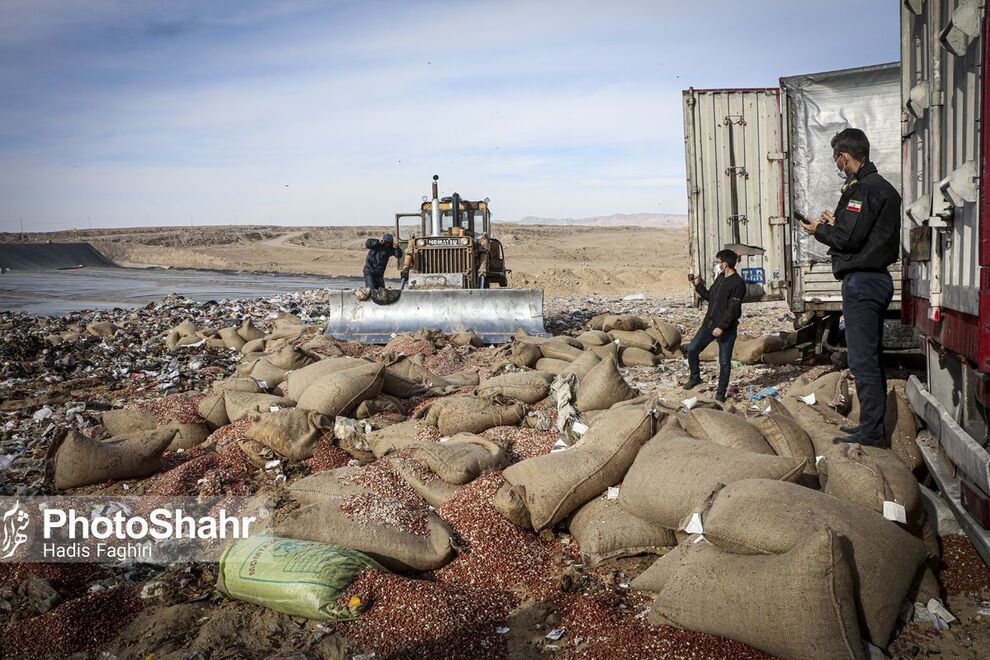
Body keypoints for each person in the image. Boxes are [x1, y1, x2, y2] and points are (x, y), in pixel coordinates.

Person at [799, 128, 900, 447]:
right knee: (868, 357)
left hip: (863, 282)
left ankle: (872, 432)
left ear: (845, 156)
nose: (837, 165)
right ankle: (872, 425)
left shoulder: (864, 189)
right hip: (873, 279)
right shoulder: (879, 188)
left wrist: (819, 230)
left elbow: (848, 239)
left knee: (862, 359)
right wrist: (834, 223)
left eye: (836, 159)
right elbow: (859, 233)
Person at [683, 248, 746, 403]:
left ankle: (720, 393)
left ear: (725, 264)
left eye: (719, 262)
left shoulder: (738, 284)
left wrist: (722, 327)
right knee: (692, 350)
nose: (718, 265)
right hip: (709, 324)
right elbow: (711, 297)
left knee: (724, 362)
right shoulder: (721, 278)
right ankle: (695, 377)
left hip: (726, 329)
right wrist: (698, 286)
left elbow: (732, 310)